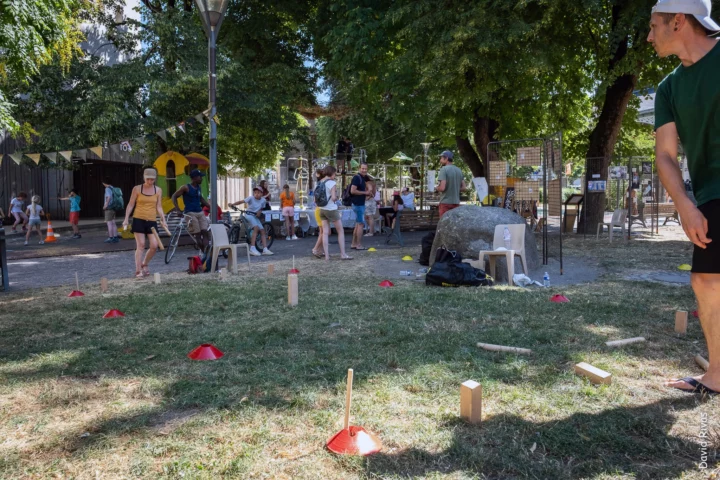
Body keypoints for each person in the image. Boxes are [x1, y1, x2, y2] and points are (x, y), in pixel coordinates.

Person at [649, 0, 720, 395]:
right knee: (706, 280)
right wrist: (685, 205)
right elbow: (665, 154)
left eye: (653, 25)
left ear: (677, 22)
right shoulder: (669, 88)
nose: (648, 36)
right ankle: (717, 375)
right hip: (711, 192)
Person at [122, 169, 169, 279]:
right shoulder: (137, 189)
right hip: (138, 218)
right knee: (141, 245)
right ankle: (138, 270)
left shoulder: (158, 190)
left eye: (152, 179)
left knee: (154, 245)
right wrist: (126, 218)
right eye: (148, 179)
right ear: (144, 177)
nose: (150, 181)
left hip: (151, 220)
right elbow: (131, 204)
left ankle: (145, 264)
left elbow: (159, 206)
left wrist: (163, 219)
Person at [318, 165, 352, 261]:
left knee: (325, 232)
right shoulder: (332, 183)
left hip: (322, 209)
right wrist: (336, 197)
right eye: (335, 174)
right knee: (340, 231)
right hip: (331, 209)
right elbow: (333, 198)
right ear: (332, 173)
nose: (335, 175)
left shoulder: (320, 182)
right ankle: (343, 254)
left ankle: (327, 256)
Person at [171, 169, 211, 251]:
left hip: (200, 212)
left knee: (205, 232)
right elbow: (174, 196)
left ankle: (207, 254)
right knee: (198, 234)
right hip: (190, 213)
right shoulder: (186, 187)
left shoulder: (198, 187)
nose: (201, 179)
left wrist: (210, 206)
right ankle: (204, 253)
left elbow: (200, 198)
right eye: (200, 177)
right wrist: (178, 209)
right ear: (195, 178)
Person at [230, 187, 274, 256]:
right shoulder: (251, 198)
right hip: (249, 214)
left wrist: (259, 211)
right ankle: (252, 248)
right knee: (256, 228)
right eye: (255, 193)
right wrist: (233, 204)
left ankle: (265, 249)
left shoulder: (263, 200)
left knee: (262, 231)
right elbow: (241, 201)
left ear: (261, 194)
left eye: (258, 193)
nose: (256, 194)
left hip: (255, 216)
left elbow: (262, 207)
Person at [436, 150, 466, 218]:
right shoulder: (458, 170)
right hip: (456, 203)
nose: (440, 160)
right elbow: (464, 188)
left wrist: (436, 188)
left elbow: (442, 188)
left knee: (444, 223)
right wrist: (454, 188)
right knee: (454, 223)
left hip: (445, 203)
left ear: (446, 158)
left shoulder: (444, 169)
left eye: (441, 158)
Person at [349, 162, 370, 250]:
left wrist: (367, 193)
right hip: (358, 204)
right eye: (362, 168)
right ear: (359, 169)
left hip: (359, 204)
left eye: (365, 169)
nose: (364, 170)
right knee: (360, 224)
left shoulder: (362, 178)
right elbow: (352, 191)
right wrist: (365, 192)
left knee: (358, 224)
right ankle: (358, 245)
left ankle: (354, 244)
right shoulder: (357, 178)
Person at [312, 168, 327, 258]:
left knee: (323, 231)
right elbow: (315, 199)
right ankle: (315, 249)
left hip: (318, 209)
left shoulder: (318, 184)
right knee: (324, 232)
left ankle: (320, 250)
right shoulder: (321, 185)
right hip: (320, 209)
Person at [102, 177, 120, 243]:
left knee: (109, 223)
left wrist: (105, 205)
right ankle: (115, 237)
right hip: (114, 207)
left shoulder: (107, 188)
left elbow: (108, 197)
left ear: (104, 183)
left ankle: (111, 237)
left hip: (109, 208)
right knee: (113, 223)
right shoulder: (113, 188)